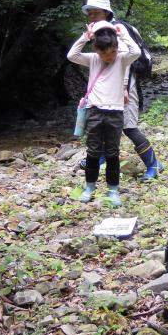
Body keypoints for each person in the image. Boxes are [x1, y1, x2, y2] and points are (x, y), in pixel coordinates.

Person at [79, 0, 163, 180]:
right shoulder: (100, 31)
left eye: (95, 13)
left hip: (126, 85)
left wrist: (124, 88)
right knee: (103, 119)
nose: (91, 17)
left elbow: (124, 62)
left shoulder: (115, 30)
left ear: (106, 12)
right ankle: (99, 157)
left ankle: (154, 164)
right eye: (89, 13)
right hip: (112, 87)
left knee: (128, 127)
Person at [67, 19, 140, 206]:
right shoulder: (92, 59)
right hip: (95, 111)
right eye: (104, 53)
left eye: (113, 51)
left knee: (112, 152)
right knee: (93, 151)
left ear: (117, 47)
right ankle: (89, 187)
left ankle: (113, 190)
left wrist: (122, 33)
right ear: (96, 50)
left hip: (115, 112)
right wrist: (86, 37)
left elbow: (136, 52)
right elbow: (72, 55)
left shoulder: (122, 59)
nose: (109, 57)